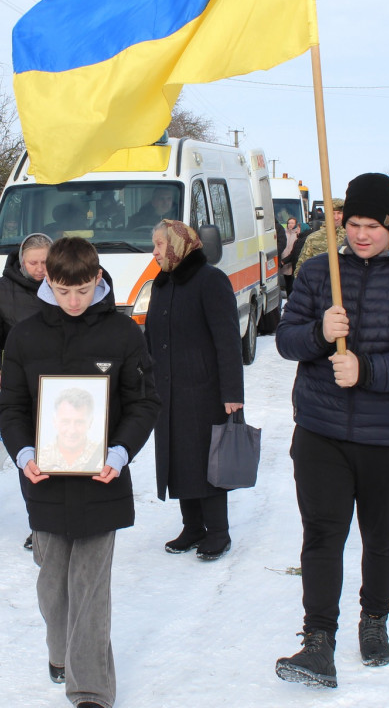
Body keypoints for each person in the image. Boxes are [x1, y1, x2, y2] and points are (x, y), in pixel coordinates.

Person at [274, 173, 389, 689]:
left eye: (372, 225)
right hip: (322, 429)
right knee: (323, 534)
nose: (361, 234)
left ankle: (374, 620)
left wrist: (366, 370)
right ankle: (318, 639)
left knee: (380, 535)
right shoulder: (316, 271)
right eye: (352, 223)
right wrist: (318, 334)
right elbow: (285, 341)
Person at [0, 236, 160, 708]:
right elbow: (12, 406)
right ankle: (60, 651)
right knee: (53, 582)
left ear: (98, 281)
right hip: (44, 479)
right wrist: (24, 454)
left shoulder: (123, 333)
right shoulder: (26, 335)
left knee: (90, 587)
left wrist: (120, 452)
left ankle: (89, 688)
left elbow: (144, 401)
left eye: (84, 291)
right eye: (65, 291)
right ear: (48, 280)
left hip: (100, 480)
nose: (75, 301)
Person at [146, 220, 244, 561]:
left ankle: (218, 531)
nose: (155, 252)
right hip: (168, 390)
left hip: (205, 390)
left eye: (159, 245)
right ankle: (192, 527)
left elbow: (228, 341)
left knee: (209, 461)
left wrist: (232, 393)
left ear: (178, 244)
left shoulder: (211, 281)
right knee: (180, 459)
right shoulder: (160, 284)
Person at [0, 233, 53, 395]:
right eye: (33, 263)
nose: (39, 269)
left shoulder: (66, 286)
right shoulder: (1, 289)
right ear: (22, 262)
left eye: (45, 263)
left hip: (59, 376)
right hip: (19, 377)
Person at [38, 388, 105, 472]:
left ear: (90, 423)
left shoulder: (104, 459)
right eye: (65, 422)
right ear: (54, 421)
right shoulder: (39, 459)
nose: (72, 430)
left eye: (79, 422)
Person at [281, 216, 305, 296]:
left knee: (291, 282)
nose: (290, 225)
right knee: (286, 280)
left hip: (291, 260)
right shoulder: (283, 233)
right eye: (289, 223)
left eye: (292, 223)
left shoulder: (297, 235)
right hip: (284, 259)